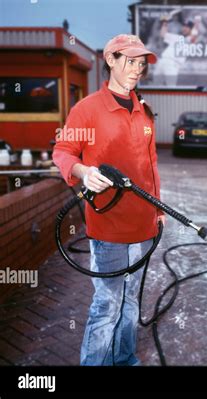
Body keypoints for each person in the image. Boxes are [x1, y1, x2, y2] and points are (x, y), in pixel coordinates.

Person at [53, 34, 165, 366]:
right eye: (130, 62)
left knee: (131, 299)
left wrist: (158, 210)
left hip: (144, 226)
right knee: (108, 303)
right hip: (108, 229)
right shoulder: (87, 110)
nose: (137, 69)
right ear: (111, 60)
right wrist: (83, 171)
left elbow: (151, 164)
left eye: (141, 64)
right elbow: (62, 152)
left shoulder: (144, 111)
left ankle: (125, 358)